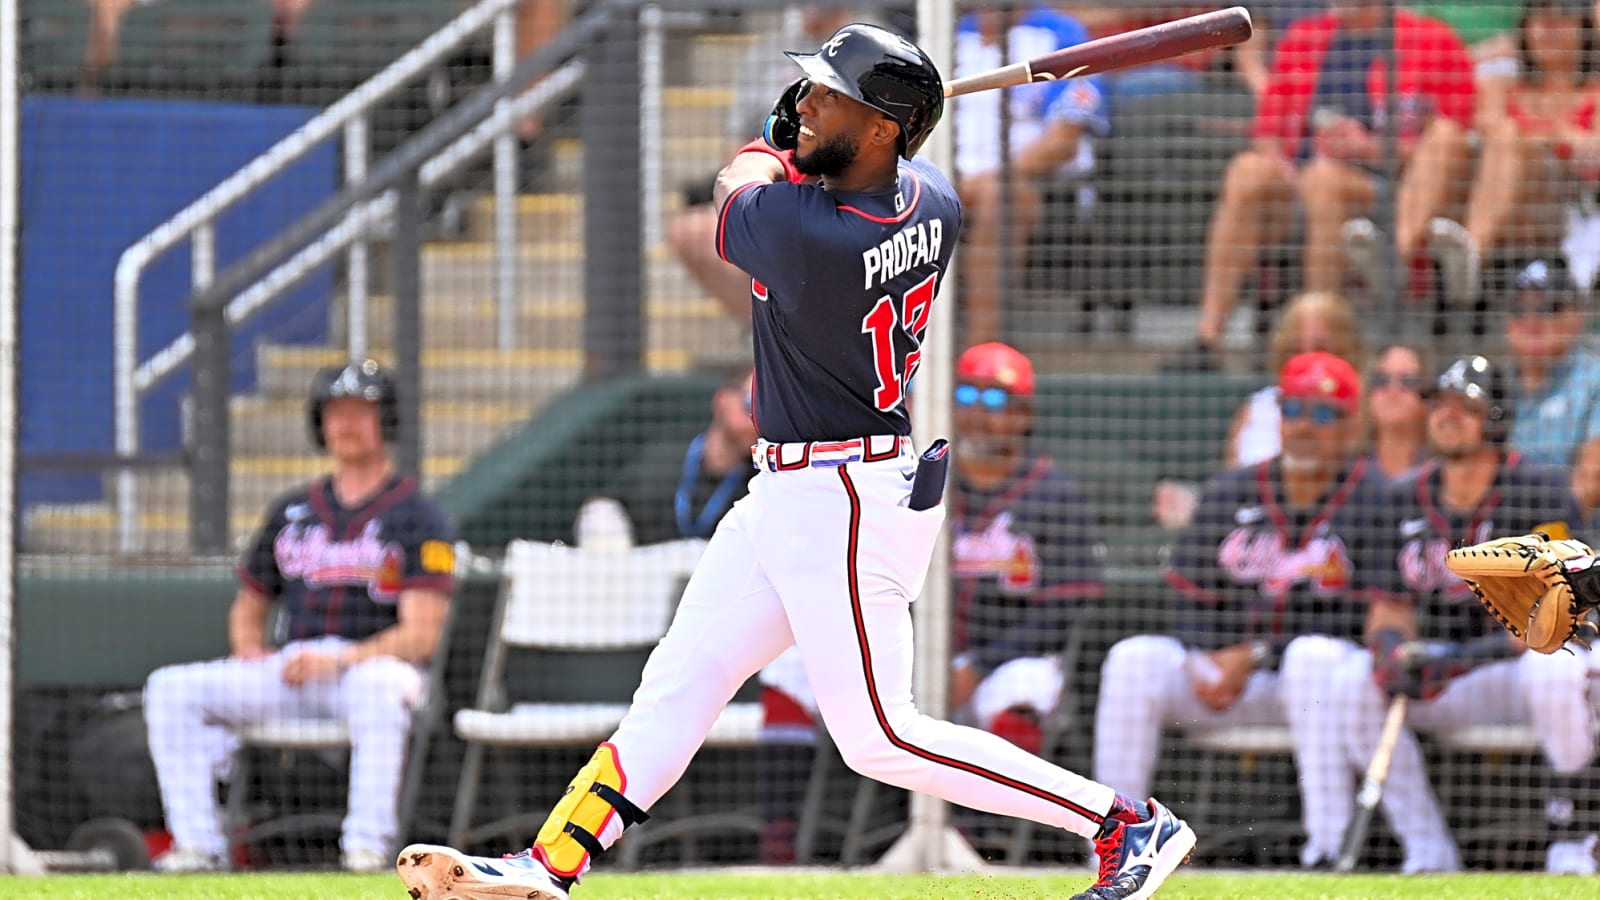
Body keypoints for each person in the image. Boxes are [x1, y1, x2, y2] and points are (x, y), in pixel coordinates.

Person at [396, 24, 1194, 900]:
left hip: (845, 499)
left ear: (885, 127)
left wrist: (776, 140)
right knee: (679, 684)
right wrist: (827, 132)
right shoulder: (933, 198)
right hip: (796, 488)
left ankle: (1126, 824)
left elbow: (736, 182)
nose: (804, 107)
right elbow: (833, 170)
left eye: (824, 96)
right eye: (806, 93)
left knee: (881, 737)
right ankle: (548, 868)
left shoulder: (810, 234)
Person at [754, 342, 1106, 859]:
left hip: (1005, 661)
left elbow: (1065, 609)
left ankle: (979, 845)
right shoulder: (914, 479)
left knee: (1022, 688)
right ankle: (779, 845)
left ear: (1024, 415)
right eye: (966, 395)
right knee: (788, 669)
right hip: (909, 650)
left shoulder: (1053, 492)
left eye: (995, 400)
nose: (977, 413)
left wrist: (979, 664)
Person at [144, 360, 456, 874]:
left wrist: (341, 660)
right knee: (170, 688)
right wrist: (249, 649)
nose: (347, 423)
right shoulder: (293, 509)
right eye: (336, 412)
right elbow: (250, 604)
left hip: (375, 669)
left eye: (362, 411)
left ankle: (366, 847)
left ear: (388, 421)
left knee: (380, 690)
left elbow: (422, 636)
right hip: (297, 667)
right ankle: (199, 845)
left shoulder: (418, 514)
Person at [1096, 351, 1396, 870]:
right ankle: (1114, 850)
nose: (1305, 426)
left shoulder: (1376, 499)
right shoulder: (1228, 492)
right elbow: (1187, 595)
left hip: (1311, 691)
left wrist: (1254, 654)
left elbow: (1364, 615)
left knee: (1313, 657)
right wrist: (1200, 661)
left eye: (1323, 414)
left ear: (1351, 425)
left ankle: (1328, 851)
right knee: (1131, 658)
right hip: (1224, 685)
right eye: (1294, 409)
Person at [1319, 354, 1594, 874]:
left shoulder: (1541, 492)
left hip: (1521, 670)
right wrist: (1391, 652)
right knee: (1353, 680)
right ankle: (1426, 850)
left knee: (1555, 665)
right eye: (1440, 405)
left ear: (1494, 418)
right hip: (1447, 677)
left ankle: (1573, 843)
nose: (1447, 415)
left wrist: (1463, 655)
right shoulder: (1400, 500)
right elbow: (1387, 609)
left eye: (1464, 406)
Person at [1166, 1, 1476, 373]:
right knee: (1248, 170)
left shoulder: (1431, 39)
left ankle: (1320, 343)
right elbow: (1269, 132)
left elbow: (1456, 143)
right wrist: (1287, 168)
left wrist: (1370, 148)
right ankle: (1208, 339)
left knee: (1324, 180)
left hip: (1393, 194)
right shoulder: (1305, 38)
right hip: (1304, 187)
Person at [667, 6, 883, 326]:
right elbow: (738, 151)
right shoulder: (769, 50)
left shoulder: (874, 45)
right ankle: (773, 341)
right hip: (778, 190)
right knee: (693, 230)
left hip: (844, 197)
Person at [1426, 0, 1600, 304]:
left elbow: (1593, 149)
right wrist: (1558, 136)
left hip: (1560, 204)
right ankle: (1403, 259)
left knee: (1506, 136)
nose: (1549, 30)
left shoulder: (1595, 91)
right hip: (1489, 193)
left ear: (1584, 30)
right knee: (1446, 133)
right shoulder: (1503, 84)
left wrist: (1548, 138)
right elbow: (1484, 127)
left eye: (1562, 20)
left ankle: (1472, 253)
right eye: (1540, 19)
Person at [952, 4, 1107, 343]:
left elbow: (1065, 138)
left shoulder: (1062, 34)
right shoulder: (949, 34)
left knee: (1000, 196)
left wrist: (993, 176)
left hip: (1034, 182)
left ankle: (980, 354)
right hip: (950, 176)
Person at [1153, 291, 1365, 532]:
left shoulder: (1362, 409)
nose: (1307, 359)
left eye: (1320, 348)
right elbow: (1232, 484)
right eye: (1297, 348)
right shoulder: (1257, 406)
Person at [600, 367, 757, 545]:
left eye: (765, 410)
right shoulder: (658, 464)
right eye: (750, 404)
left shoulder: (761, 486)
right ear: (722, 400)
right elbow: (606, 502)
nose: (758, 420)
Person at [1499, 257, 1600, 470]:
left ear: (1577, 315)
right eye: (1519, 309)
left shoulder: (1594, 380)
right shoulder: (1496, 384)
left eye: (1548, 307)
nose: (1532, 320)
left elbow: (1593, 480)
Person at [1364, 343, 1431, 483]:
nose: (1393, 390)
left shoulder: (1438, 471)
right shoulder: (1349, 470)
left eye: (1408, 381)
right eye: (1381, 380)